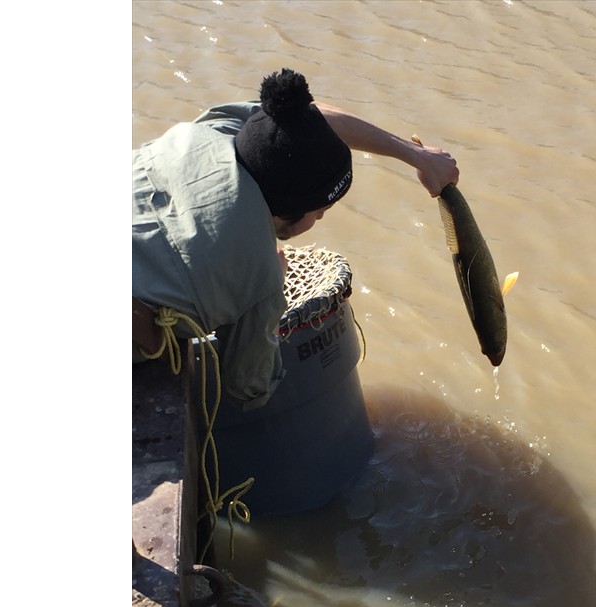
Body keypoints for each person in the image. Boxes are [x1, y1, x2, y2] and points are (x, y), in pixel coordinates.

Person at [133, 68, 458, 410]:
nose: (319, 220)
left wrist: (416, 155)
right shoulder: (259, 274)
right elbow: (249, 386)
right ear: (290, 210)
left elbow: (306, 118)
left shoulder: (215, 130)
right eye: (320, 212)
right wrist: (272, 295)